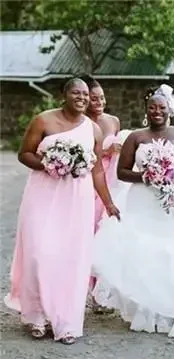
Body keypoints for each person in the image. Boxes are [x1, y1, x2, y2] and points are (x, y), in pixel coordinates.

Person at [92, 84, 174, 341]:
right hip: (143, 202)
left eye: (161, 107)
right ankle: (148, 309)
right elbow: (122, 172)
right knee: (146, 250)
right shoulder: (136, 137)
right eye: (152, 107)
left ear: (169, 109)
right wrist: (148, 176)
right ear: (146, 111)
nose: (157, 111)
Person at [4, 76, 120, 344]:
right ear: (64, 95)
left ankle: (65, 321)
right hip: (42, 195)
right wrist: (50, 163)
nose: (82, 98)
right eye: (76, 93)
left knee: (71, 258)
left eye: (86, 94)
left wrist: (109, 203)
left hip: (75, 199)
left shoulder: (93, 129)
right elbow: (25, 154)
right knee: (38, 253)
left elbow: (98, 171)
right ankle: (35, 316)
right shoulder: (43, 120)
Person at [81, 74, 124, 232]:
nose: (100, 102)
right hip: (90, 175)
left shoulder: (113, 121)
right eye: (94, 99)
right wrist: (106, 151)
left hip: (111, 175)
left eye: (102, 97)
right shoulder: (82, 123)